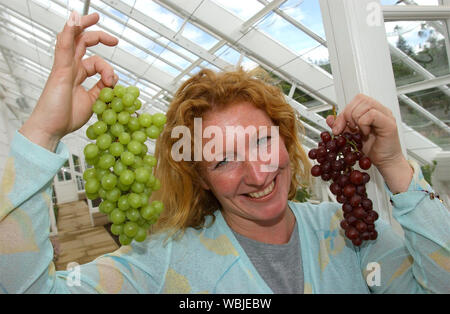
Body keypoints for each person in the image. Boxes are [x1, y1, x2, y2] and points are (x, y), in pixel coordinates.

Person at [0, 12, 449, 294]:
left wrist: (393, 166)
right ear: (200, 177)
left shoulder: (349, 234)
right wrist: (43, 130)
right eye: (223, 159)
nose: (257, 173)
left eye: (261, 141)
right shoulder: (163, 265)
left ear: (285, 136)